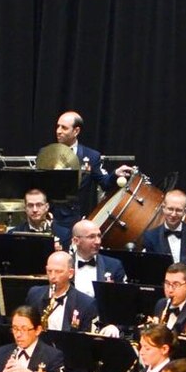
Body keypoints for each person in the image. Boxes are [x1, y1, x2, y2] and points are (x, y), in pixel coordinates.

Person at [53, 112, 115, 243]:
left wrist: (116, 174)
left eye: (64, 128)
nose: (58, 131)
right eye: (58, 126)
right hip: (54, 219)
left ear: (76, 131)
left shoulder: (91, 156)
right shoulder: (47, 154)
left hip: (78, 220)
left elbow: (105, 183)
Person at [136, 189, 186, 266]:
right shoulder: (150, 237)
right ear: (163, 207)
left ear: (185, 211)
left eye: (178, 210)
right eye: (170, 209)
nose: (173, 214)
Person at [68, 219, 128, 295]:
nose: (98, 241)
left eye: (99, 236)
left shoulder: (114, 265)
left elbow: (123, 298)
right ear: (76, 241)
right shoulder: (64, 264)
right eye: (91, 237)